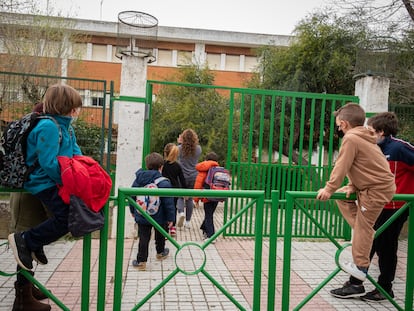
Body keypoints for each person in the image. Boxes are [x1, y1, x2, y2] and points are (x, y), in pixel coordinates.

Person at [7, 84, 83, 311]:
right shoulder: (48, 126)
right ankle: (22, 299)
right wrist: (67, 180)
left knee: (33, 236)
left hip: (48, 184)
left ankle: (28, 286)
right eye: (76, 106)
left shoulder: (65, 127)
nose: (78, 111)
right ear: (65, 107)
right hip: (34, 187)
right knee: (25, 237)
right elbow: (49, 162)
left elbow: (74, 152)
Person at [316, 103, 396, 299]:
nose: (338, 130)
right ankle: (366, 233)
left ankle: (360, 269)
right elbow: (360, 164)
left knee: (363, 226)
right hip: (369, 186)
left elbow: (342, 165)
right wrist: (352, 185)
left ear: (343, 124)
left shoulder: (351, 138)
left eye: (338, 126)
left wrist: (328, 188)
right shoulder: (365, 136)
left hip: (376, 189)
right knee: (344, 200)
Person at [359, 112, 414, 301]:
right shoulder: (373, 148)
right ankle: (357, 282)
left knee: (385, 246)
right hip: (378, 203)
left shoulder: (400, 148)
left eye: (372, 131)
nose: (368, 134)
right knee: (370, 241)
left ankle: (383, 288)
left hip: (396, 206)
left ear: (382, 132)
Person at [129, 152, 175, 271]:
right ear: (161, 167)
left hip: (142, 214)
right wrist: (171, 218)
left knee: (143, 237)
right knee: (160, 234)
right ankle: (160, 252)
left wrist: (133, 210)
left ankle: (141, 261)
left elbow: (132, 196)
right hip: (160, 216)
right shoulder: (164, 182)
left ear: (147, 165)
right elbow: (168, 203)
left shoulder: (139, 179)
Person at [177, 129, 202, 229]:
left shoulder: (179, 148)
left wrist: (179, 143)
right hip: (193, 176)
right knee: (189, 198)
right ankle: (188, 222)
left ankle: (181, 212)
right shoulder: (198, 149)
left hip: (181, 175)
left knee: (180, 196)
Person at [194, 151, 220, 242]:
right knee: (210, 214)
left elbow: (198, 185)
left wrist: (196, 199)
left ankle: (210, 236)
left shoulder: (203, 170)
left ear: (205, 160)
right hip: (217, 195)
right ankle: (206, 230)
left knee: (208, 215)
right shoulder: (218, 169)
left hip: (207, 196)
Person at [162, 143, 187, 237]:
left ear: (165, 153)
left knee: (164, 208)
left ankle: (164, 228)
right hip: (175, 189)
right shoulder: (177, 165)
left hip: (164, 189)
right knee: (173, 208)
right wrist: (185, 192)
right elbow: (182, 180)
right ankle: (173, 227)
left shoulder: (162, 165)